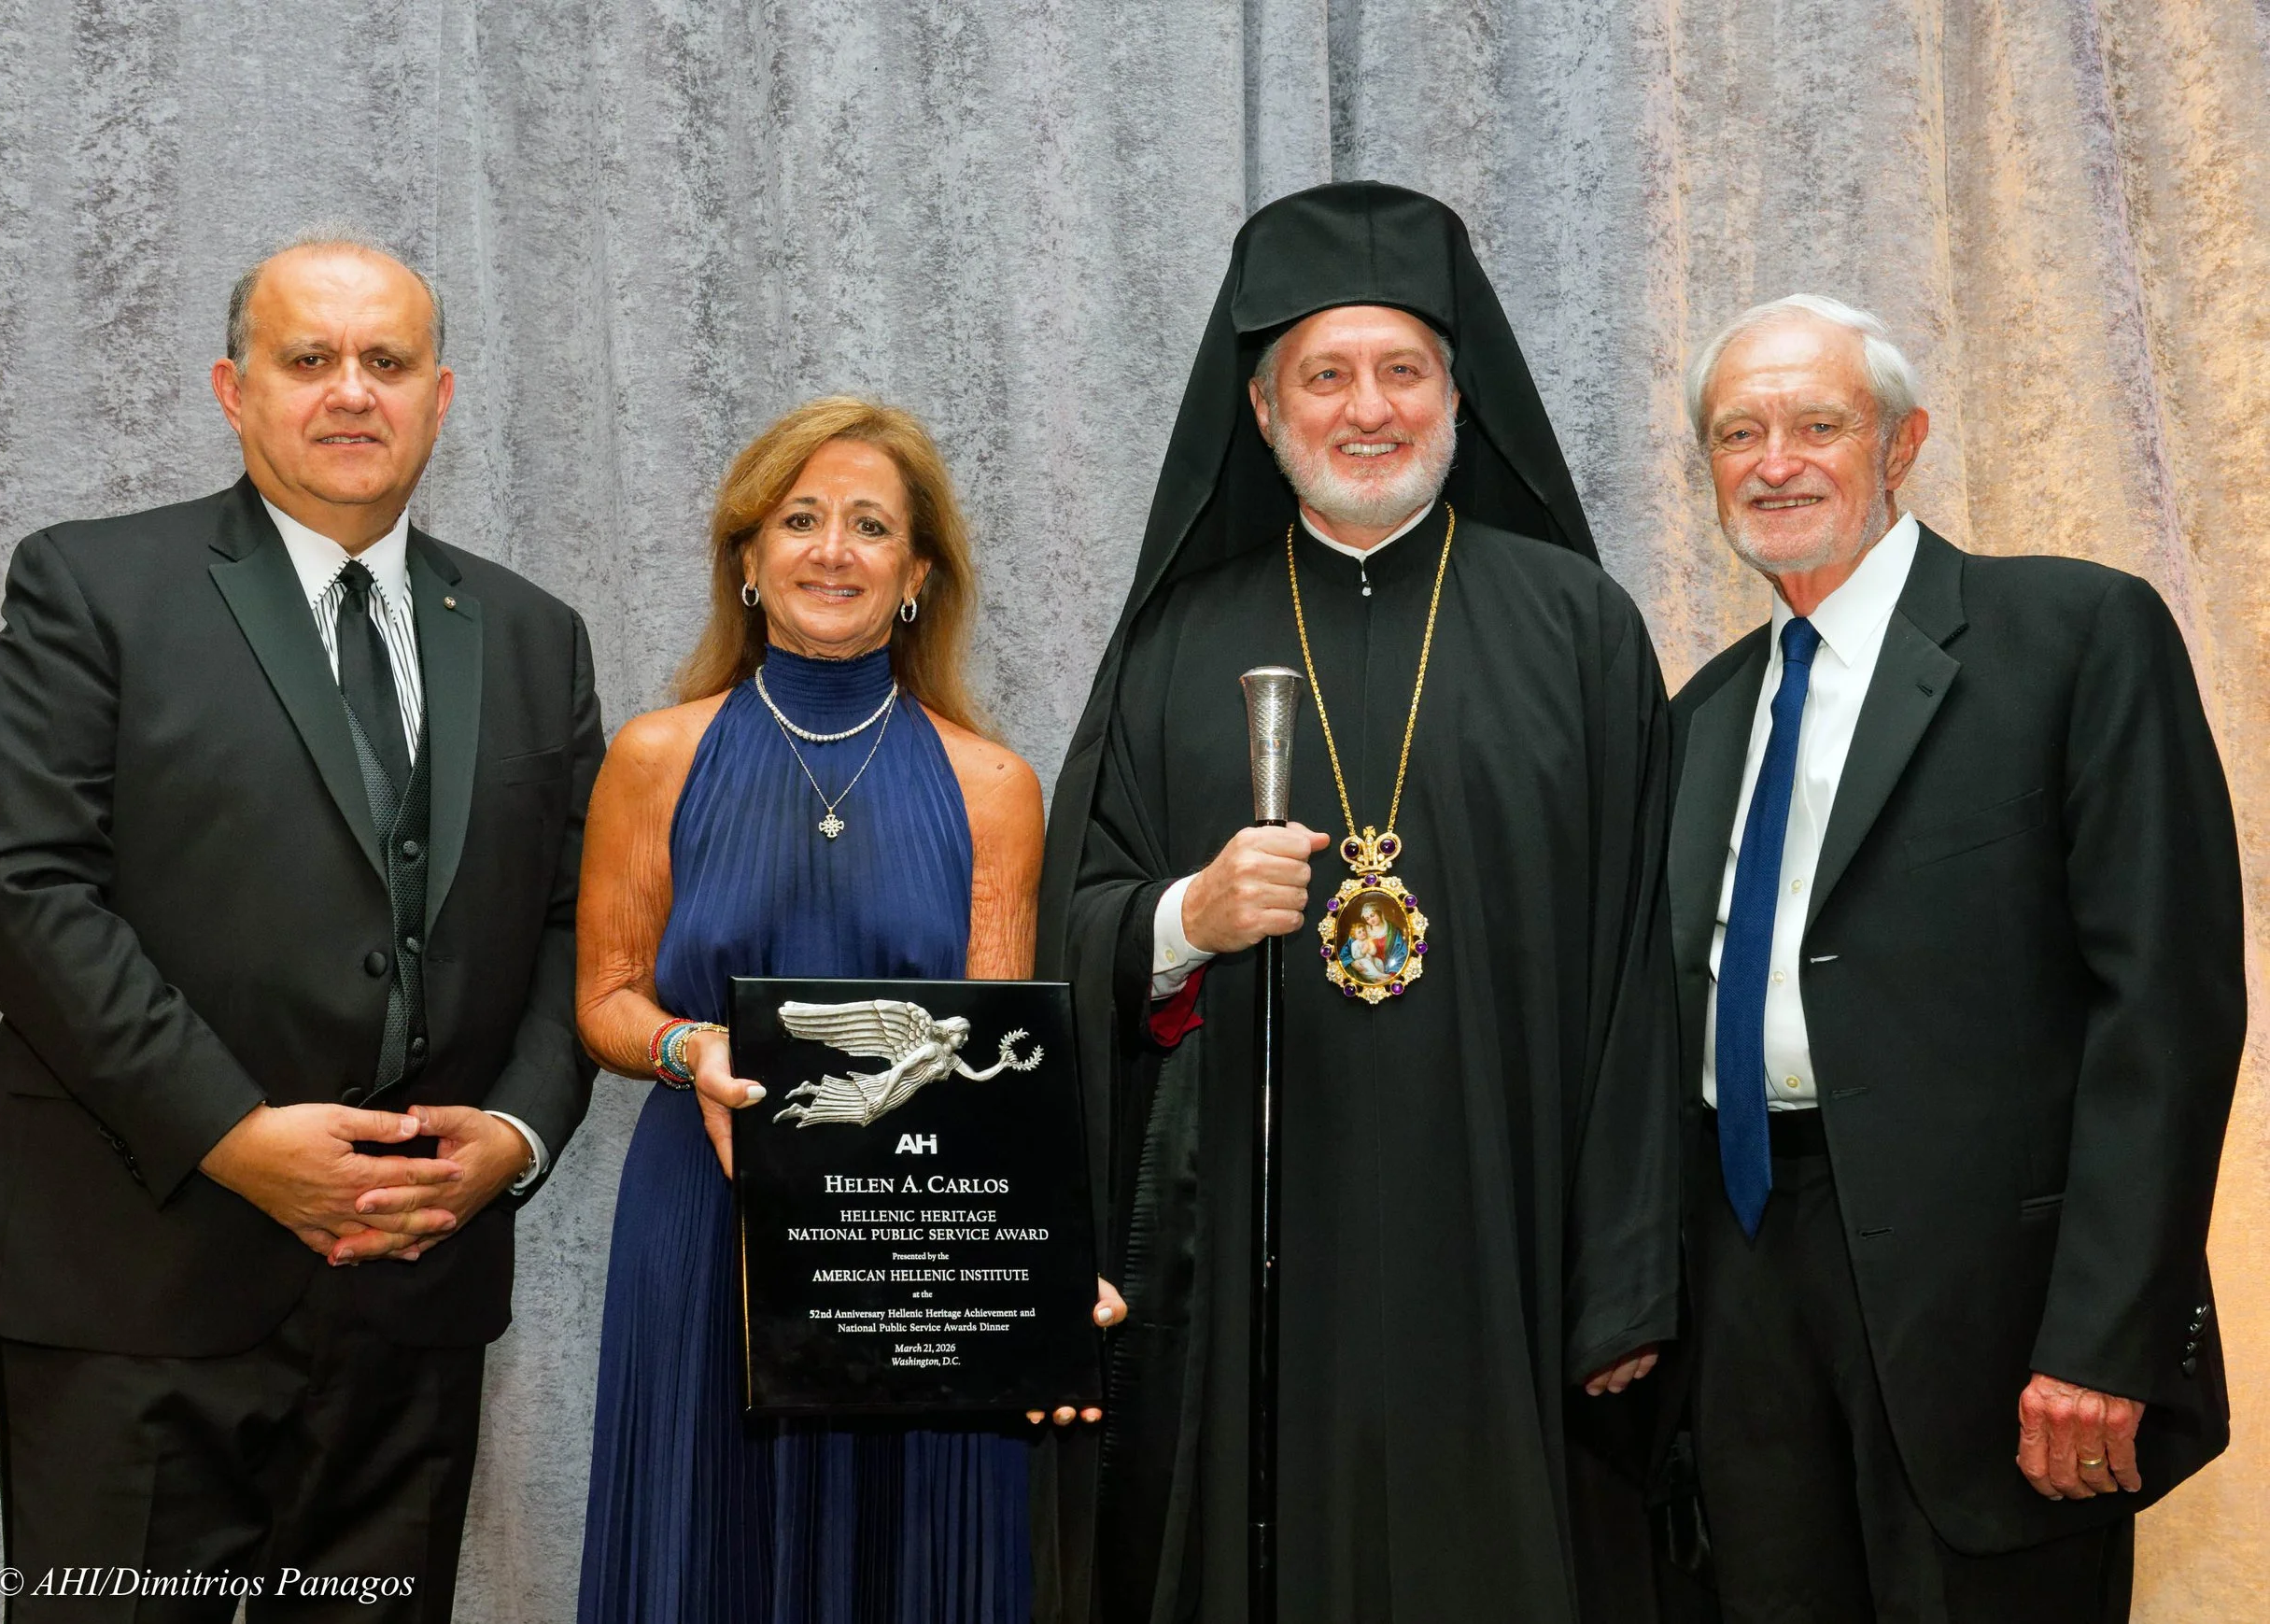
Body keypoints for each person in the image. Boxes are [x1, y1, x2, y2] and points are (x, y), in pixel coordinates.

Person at [1036, 181, 1679, 1623]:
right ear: (1262, 410)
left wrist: (1627, 1274)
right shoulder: (1176, 643)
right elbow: (1075, 920)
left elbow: (1647, 967)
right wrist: (1187, 917)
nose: (1370, 409)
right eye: (1325, 375)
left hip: (1513, 1240)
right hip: (1249, 1257)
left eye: (1405, 369)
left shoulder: (1581, 629)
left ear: (1460, 392)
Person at [0, 233, 603, 1619]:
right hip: (134, 1280)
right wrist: (234, 1135)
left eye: (387, 361)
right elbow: (15, 885)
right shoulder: (92, 585)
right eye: (310, 358)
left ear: (440, 396)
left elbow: (574, 922)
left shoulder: (535, 634)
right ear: (233, 390)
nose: (351, 390)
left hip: (415, 1291)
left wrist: (516, 1133)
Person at [1668, 295, 2243, 1622]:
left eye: (1820, 425)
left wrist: (2106, 1336)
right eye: (1738, 433)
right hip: (1745, 1292)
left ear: (1903, 442)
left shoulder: (2074, 635)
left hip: (1996, 1320)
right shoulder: (1701, 716)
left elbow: (2166, 1008)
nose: (1775, 461)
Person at [573, 396, 1114, 1624]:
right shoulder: (656, 757)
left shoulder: (994, 786)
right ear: (747, 558)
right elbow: (603, 998)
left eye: (871, 525)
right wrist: (687, 1045)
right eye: (800, 519)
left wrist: (1045, 1275)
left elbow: (995, 1068)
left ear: (918, 576)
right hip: (705, 1223)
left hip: (919, 1245)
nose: (832, 550)